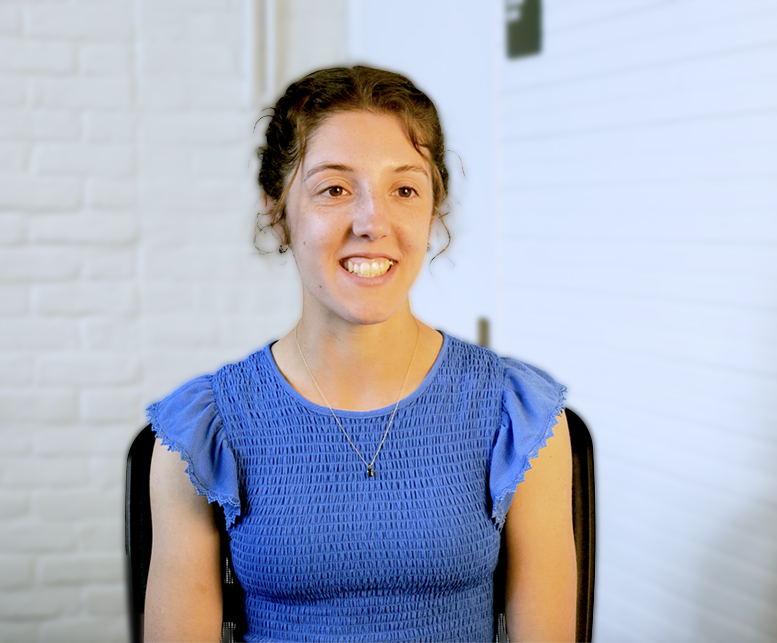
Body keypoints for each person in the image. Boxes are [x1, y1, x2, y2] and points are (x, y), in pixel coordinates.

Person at [143, 66, 577, 642]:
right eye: (334, 189)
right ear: (278, 211)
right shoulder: (205, 433)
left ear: (433, 211)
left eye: (404, 189)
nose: (373, 223)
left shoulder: (518, 417)